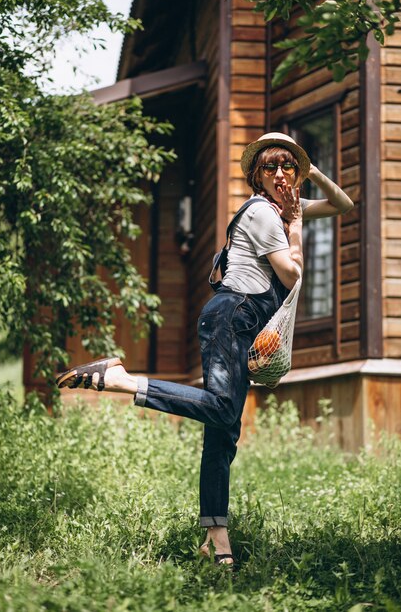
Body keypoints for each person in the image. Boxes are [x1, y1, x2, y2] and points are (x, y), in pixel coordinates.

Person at [55, 132, 353, 566]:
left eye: (288, 167)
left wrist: (312, 174)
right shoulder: (266, 215)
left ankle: (216, 539)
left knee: (223, 434)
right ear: (257, 176)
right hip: (232, 316)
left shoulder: (285, 207)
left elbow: (343, 205)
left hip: (244, 324)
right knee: (220, 408)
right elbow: (292, 276)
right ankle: (120, 378)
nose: (280, 174)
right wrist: (295, 223)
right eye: (270, 168)